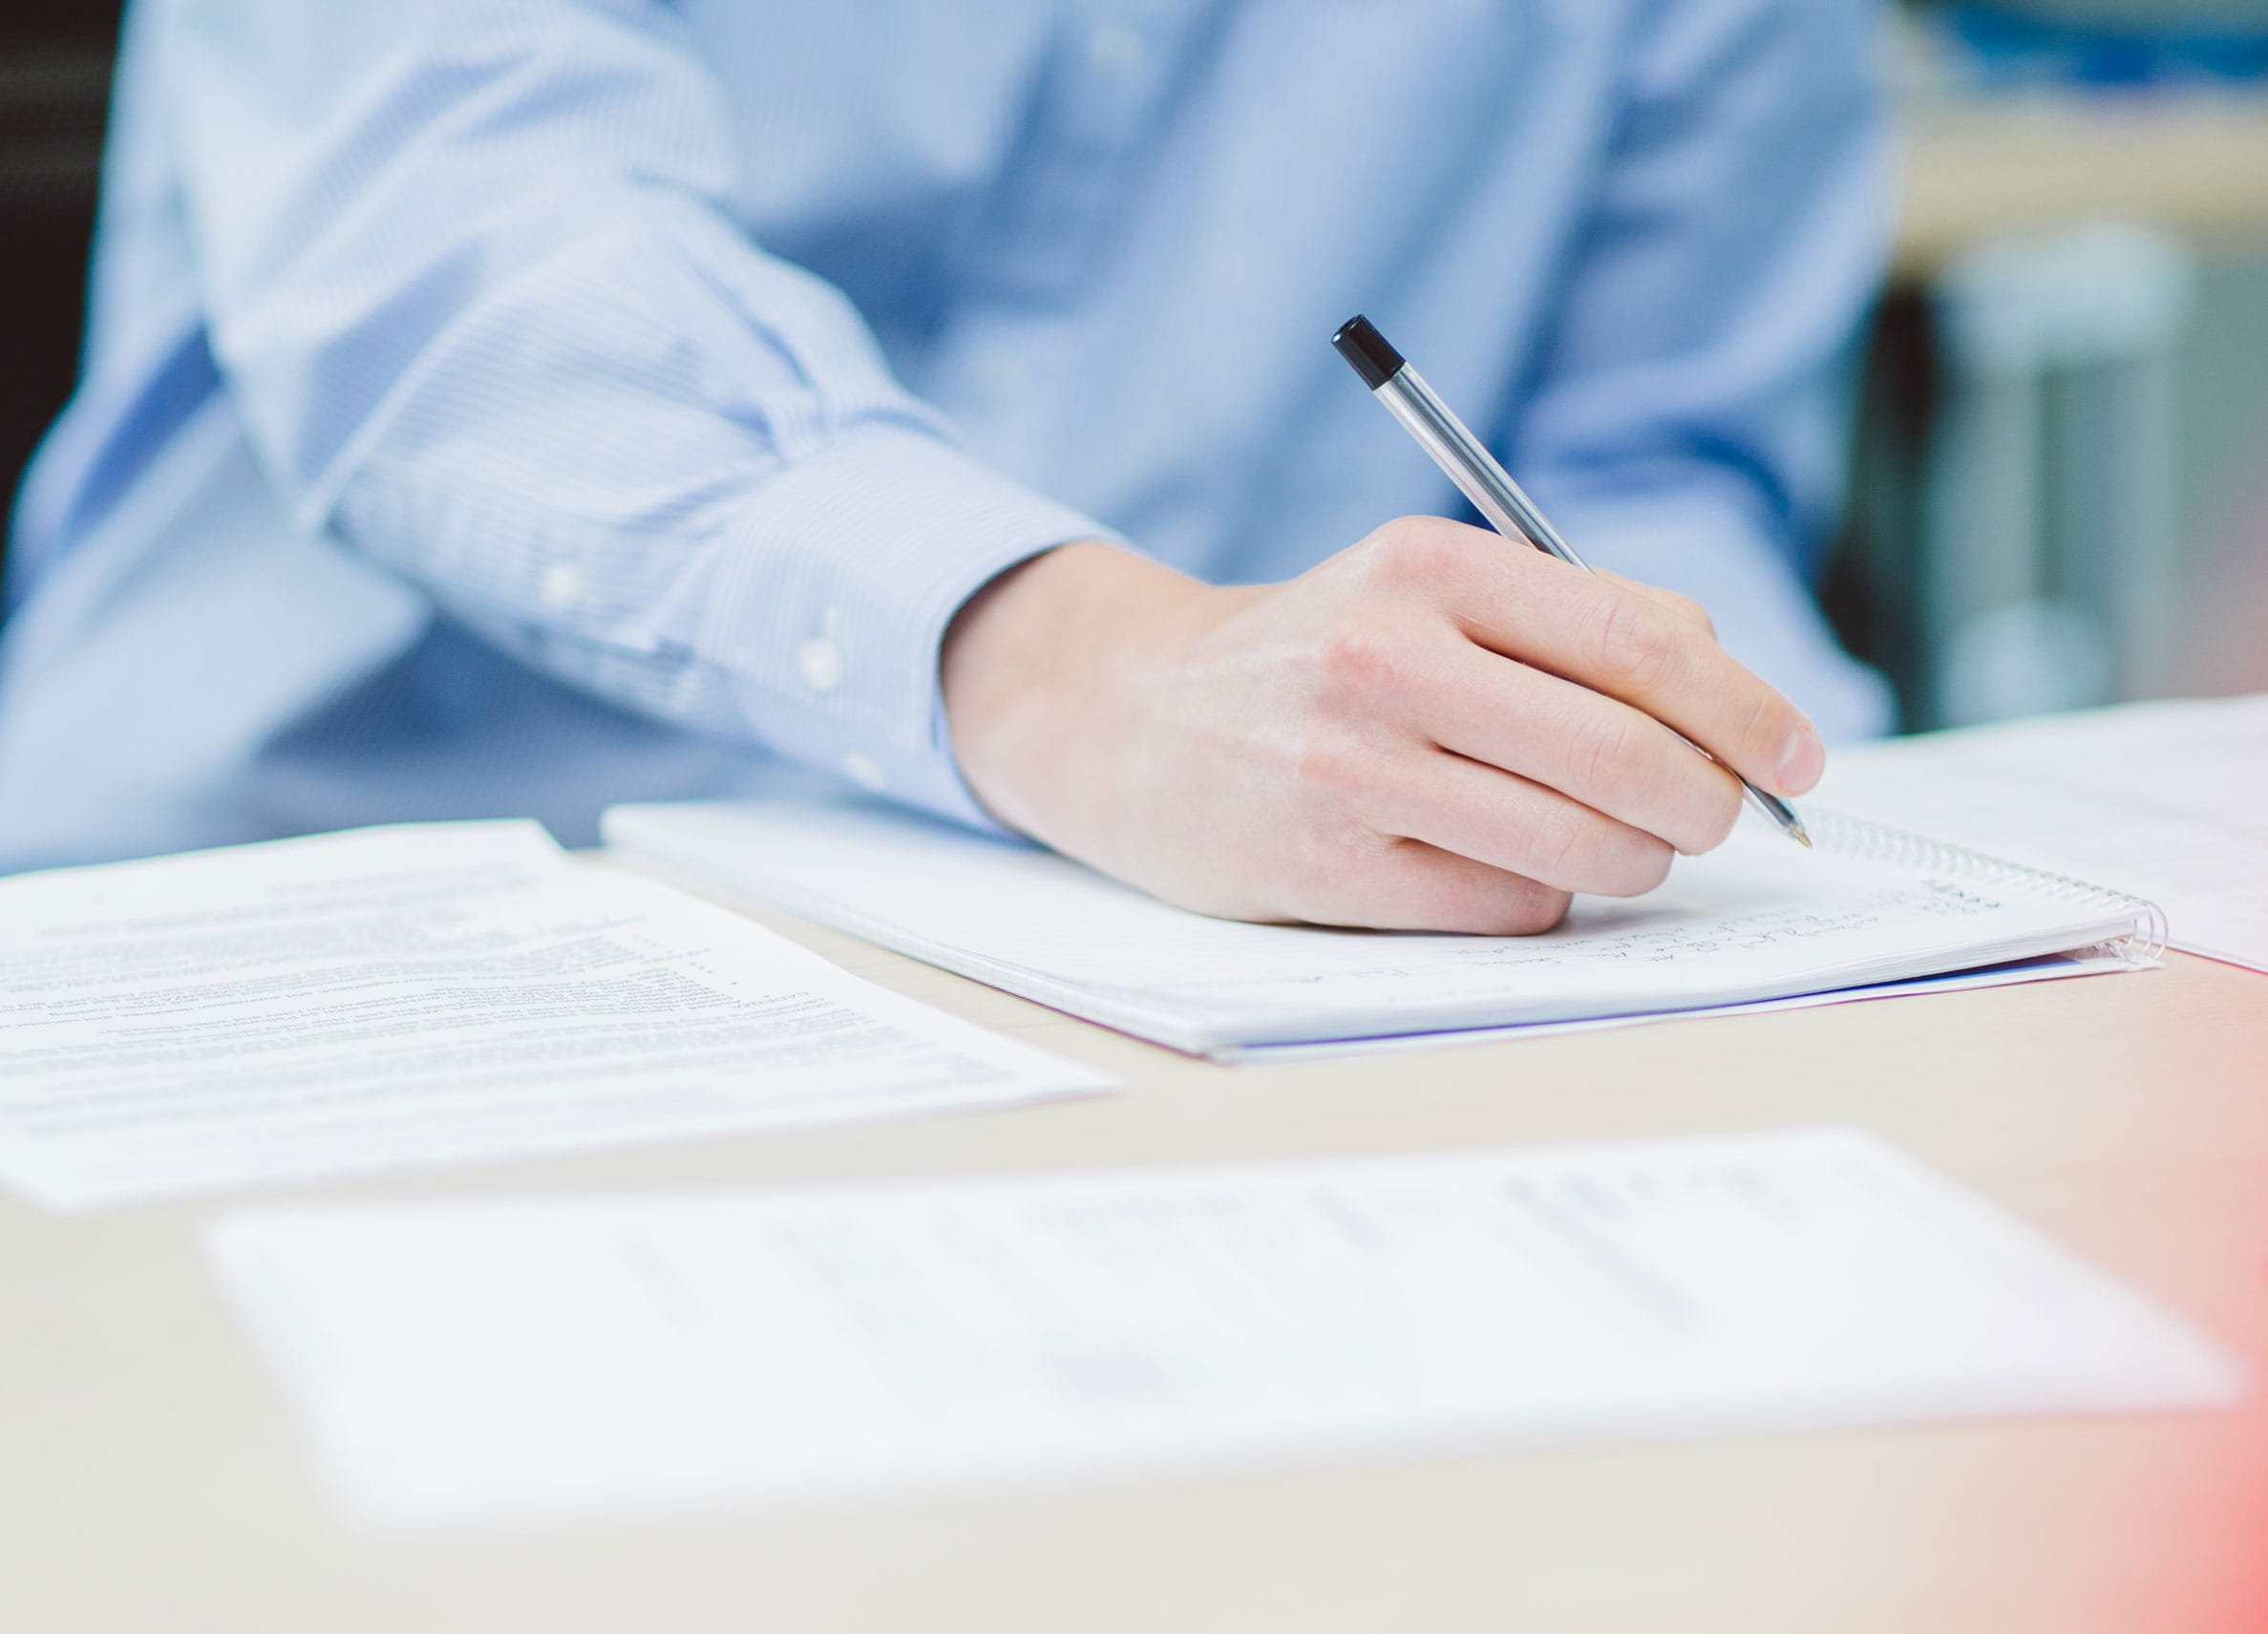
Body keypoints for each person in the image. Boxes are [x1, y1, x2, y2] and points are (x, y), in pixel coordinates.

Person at [0, 0, 1894, 931]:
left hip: (1172, 991)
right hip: (318, 919)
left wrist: (1718, 785)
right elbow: (453, 272)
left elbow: (1648, 455)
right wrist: (1078, 667)